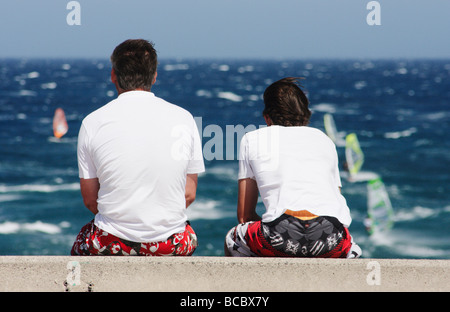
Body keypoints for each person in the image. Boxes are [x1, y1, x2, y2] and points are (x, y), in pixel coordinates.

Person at [71, 39, 205, 256]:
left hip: (112, 242)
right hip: (171, 244)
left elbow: (90, 200)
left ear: (113, 75)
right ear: (154, 75)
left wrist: (126, 224)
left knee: (83, 240)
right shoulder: (185, 119)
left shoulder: (92, 122)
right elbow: (189, 194)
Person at [225, 77, 361, 258]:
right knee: (352, 248)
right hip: (331, 238)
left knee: (233, 237)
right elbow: (334, 200)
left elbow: (244, 216)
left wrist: (277, 231)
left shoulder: (252, 139)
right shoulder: (324, 140)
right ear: (306, 115)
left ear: (267, 118)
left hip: (281, 236)